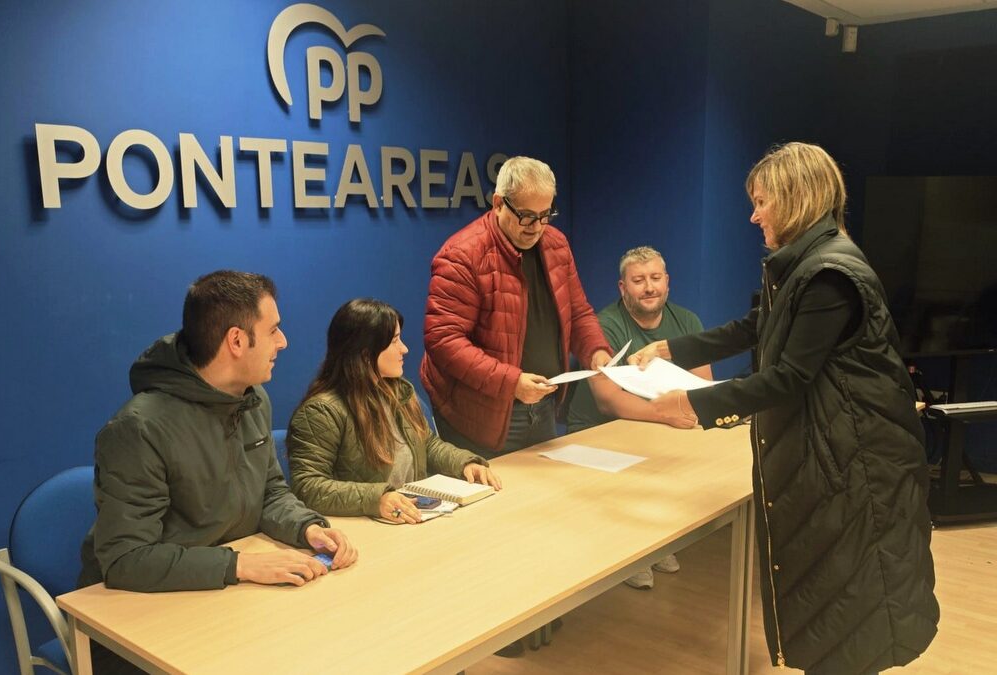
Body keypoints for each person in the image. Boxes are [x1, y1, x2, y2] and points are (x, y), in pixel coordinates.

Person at [631, 143, 939, 674]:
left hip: (855, 469)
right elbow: (756, 328)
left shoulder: (830, 274)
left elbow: (789, 378)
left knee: (851, 615)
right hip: (837, 459)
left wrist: (694, 403)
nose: (753, 215)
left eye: (761, 201)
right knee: (835, 615)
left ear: (795, 199)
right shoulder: (802, 265)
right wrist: (671, 349)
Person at [78, 271, 358, 674]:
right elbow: (126, 560)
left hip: (227, 598)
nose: (284, 342)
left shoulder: (252, 399)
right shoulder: (138, 429)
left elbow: (270, 491)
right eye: (274, 330)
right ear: (237, 341)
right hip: (144, 621)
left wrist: (307, 528)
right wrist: (240, 566)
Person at [421, 156, 612, 456]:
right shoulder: (462, 256)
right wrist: (512, 383)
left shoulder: (556, 244)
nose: (536, 227)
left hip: (543, 403)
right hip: (479, 414)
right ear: (498, 203)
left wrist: (596, 353)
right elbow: (444, 342)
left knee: (546, 496)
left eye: (545, 214)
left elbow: (577, 311)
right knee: (496, 499)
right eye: (525, 215)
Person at [566, 245, 712, 588]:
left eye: (656, 278)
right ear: (622, 288)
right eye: (639, 280)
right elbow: (609, 401)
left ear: (668, 282)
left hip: (652, 426)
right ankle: (631, 551)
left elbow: (702, 385)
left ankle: (653, 541)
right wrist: (666, 414)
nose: (649, 287)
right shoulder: (605, 325)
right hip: (599, 431)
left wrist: (678, 413)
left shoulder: (687, 321)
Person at [288, 298, 501, 524]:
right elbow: (308, 487)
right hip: (362, 528)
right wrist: (377, 499)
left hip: (410, 518)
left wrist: (464, 463)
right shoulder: (321, 412)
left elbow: (426, 444)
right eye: (395, 341)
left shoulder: (399, 392)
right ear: (365, 352)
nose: (405, 349)